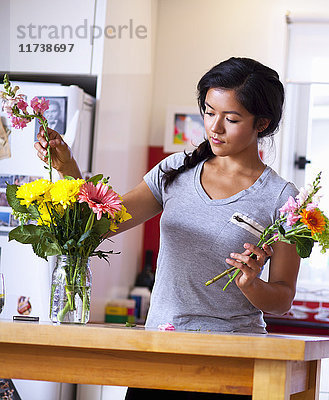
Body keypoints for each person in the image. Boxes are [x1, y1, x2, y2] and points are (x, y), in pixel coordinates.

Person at [35, 57, 301, 400]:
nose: (214, 127)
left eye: (231, 119)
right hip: (160, 349)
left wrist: (251, 284)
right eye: (208, 112)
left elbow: (282, 299)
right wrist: (67, 166)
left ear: (261, 123)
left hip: (232, 359)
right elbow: (97, 226)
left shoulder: (283, 198)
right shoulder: (175, 170)